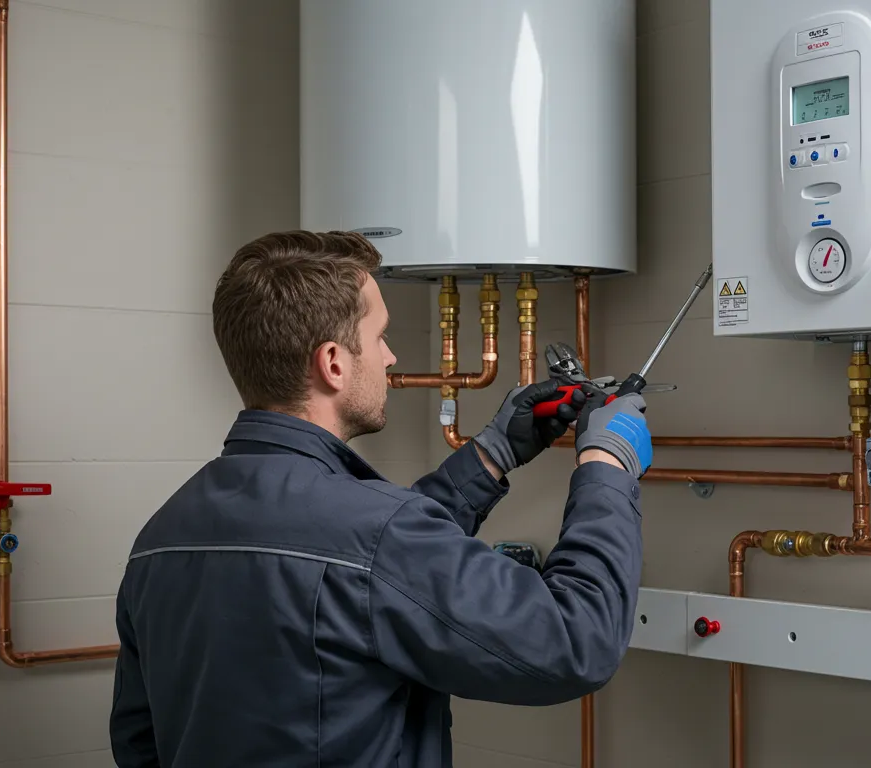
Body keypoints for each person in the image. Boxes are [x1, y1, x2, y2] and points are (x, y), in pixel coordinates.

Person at [109, 231, 653, 768]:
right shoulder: (376, 536)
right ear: (333, 363)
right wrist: (605, 464)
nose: (390, 357)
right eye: (379, 337)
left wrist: (491, 456)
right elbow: (575, 640)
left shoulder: (161, 536)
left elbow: (138, 742)